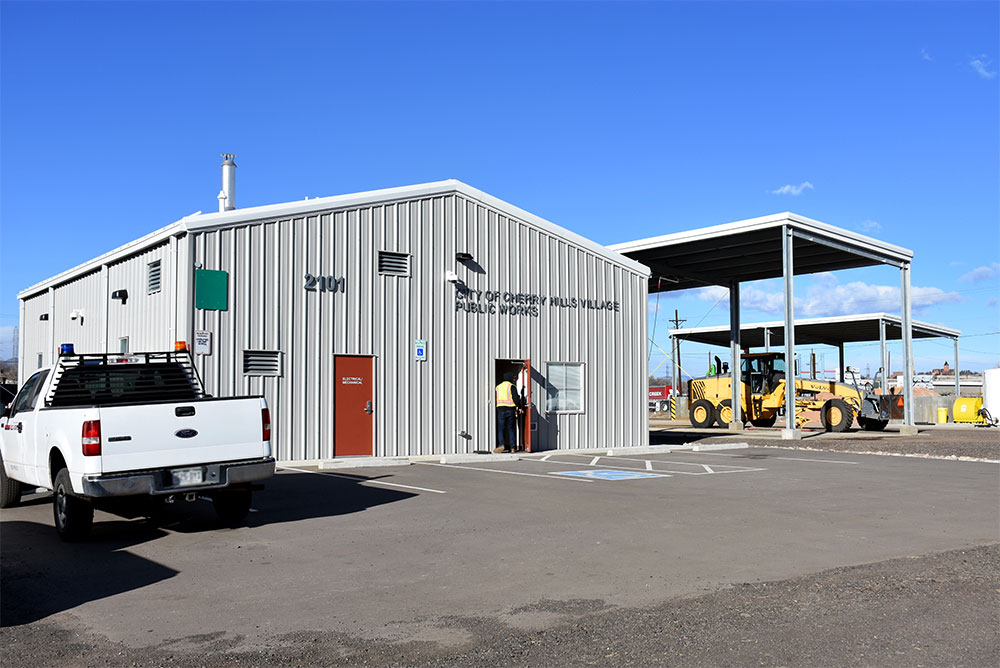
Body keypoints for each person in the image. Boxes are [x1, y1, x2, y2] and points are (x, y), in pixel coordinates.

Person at [494, 372, 521, 453]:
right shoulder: (511, 386)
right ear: (510, 378)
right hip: (510, 410)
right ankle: (513, 447)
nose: (514, 379)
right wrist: (519, 406)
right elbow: (515, 398)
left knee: (501, 429)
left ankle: (501, 445)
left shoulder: (498, 387)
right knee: (511, 429)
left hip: (500, 410)